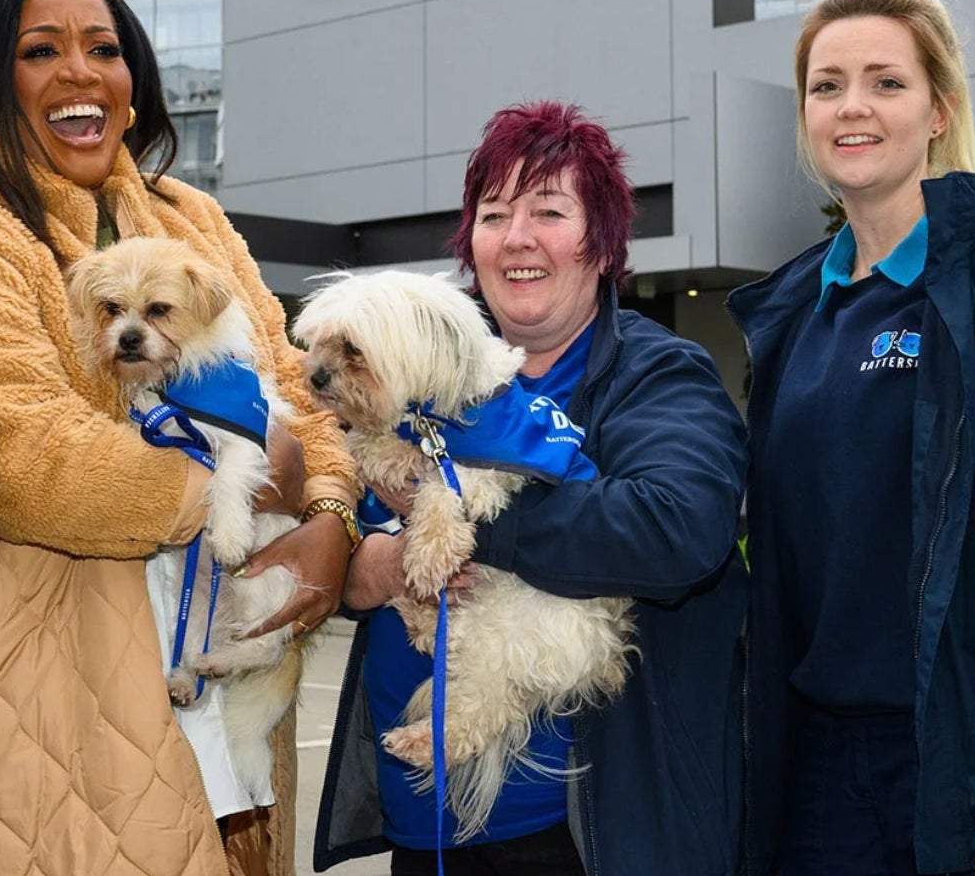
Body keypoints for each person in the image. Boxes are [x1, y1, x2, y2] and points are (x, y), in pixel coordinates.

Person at [0, 0, 356, 876]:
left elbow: (300, 390)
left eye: (104, 47)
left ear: (132, 84)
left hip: (212, 700)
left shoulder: (194, 220)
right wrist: (253, 474)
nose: (80, 71)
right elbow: (30, 461)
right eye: (40, 50)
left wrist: (330, 511)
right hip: (31, 707)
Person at [315, 100, 749, 876]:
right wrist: (374, 565)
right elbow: (357, 547)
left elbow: (678, 528)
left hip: (575, 835)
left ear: (603, 243)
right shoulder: (414, 381)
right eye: (493, 214)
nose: (517, 236)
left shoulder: (657, 376)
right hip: (424, 831)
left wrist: (467, 519)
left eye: (549, 210)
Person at [729, 0, 975, 876]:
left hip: (957, 758)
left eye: (886, 81)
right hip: (818, 774)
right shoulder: (791, 312)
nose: (852, 106)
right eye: (826, 85)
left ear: (940, 109)